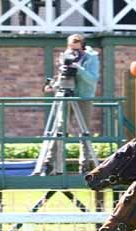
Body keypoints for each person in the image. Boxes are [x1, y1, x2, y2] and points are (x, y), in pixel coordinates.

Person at [43, 33, 100, 174]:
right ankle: (49, 162)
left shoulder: (91, 58)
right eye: (70, 47)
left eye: (77, 48)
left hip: (84, 97)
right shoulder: (66, 57)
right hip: (67, 96)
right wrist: (53, 86)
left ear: (83, 46)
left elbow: (92, 79)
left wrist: (78, 69)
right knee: (61, 128)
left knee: (84, 131)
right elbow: (63, 77)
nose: (73, 51)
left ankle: (84, 165)